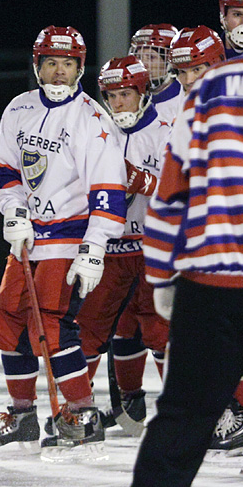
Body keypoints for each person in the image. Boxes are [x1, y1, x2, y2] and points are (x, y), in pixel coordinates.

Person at [110, 35, 243, 487]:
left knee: (180, 426)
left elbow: (173, 190)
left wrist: (161, 271)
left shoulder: (212, 87)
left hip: (213, 277)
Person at [0, 26, 126, 457]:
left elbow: (108, 191)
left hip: (69, 234)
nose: (60, 73)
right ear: (37, 65)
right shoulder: (19, 107)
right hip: (27, 235)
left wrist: (94, 248)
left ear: (80, 68)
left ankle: (82, 413)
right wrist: (14, 208)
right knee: (9, 321)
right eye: (52, 64)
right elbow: (4, 165)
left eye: (69, 64)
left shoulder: (93, 120)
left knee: (53, 327)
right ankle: (23, 417)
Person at [72, 56, 171, 435]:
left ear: (143, 92)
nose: (117, 104)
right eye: (111, 96)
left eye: (125, 94)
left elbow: (187, 192)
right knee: (92, 329)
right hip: (110, 247)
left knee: (159, 330)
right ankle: (80, 409)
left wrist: (141, 181)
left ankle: (180, 409)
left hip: (152, 246)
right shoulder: (97, 130)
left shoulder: (166, 131)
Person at [128, 24, 183, 125]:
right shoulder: (130, 100)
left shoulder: (186, 99)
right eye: (138, 57)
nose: (142, 64)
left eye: (151, 57)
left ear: (170, 61)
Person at [169, 25, 226, 95]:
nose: (188, 81)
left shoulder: (238, 99)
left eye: (196, 69)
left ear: (217, 66)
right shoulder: (167, 104)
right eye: (182, 72)